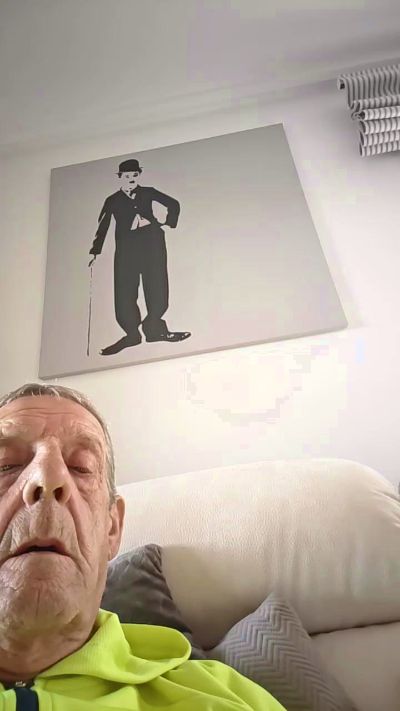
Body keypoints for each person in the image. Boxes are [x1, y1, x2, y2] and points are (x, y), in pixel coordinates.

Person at [0, 382, 285, 710]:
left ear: (112, 529)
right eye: (5, 465)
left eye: (81, 467)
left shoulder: (224, 698)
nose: (47, 479)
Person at [89, 159, 191, 356]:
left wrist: (168, 223)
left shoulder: (148, 192)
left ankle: (155, 330)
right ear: (120, 177)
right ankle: (131, 334)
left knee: (157, 285)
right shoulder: (112, 200)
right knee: (125, 289)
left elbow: (173, 204)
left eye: (135, 175)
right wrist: (95, 251)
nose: (131, 179)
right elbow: (103, 226)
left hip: (152, 243)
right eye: (127, 176)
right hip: (127, 248)